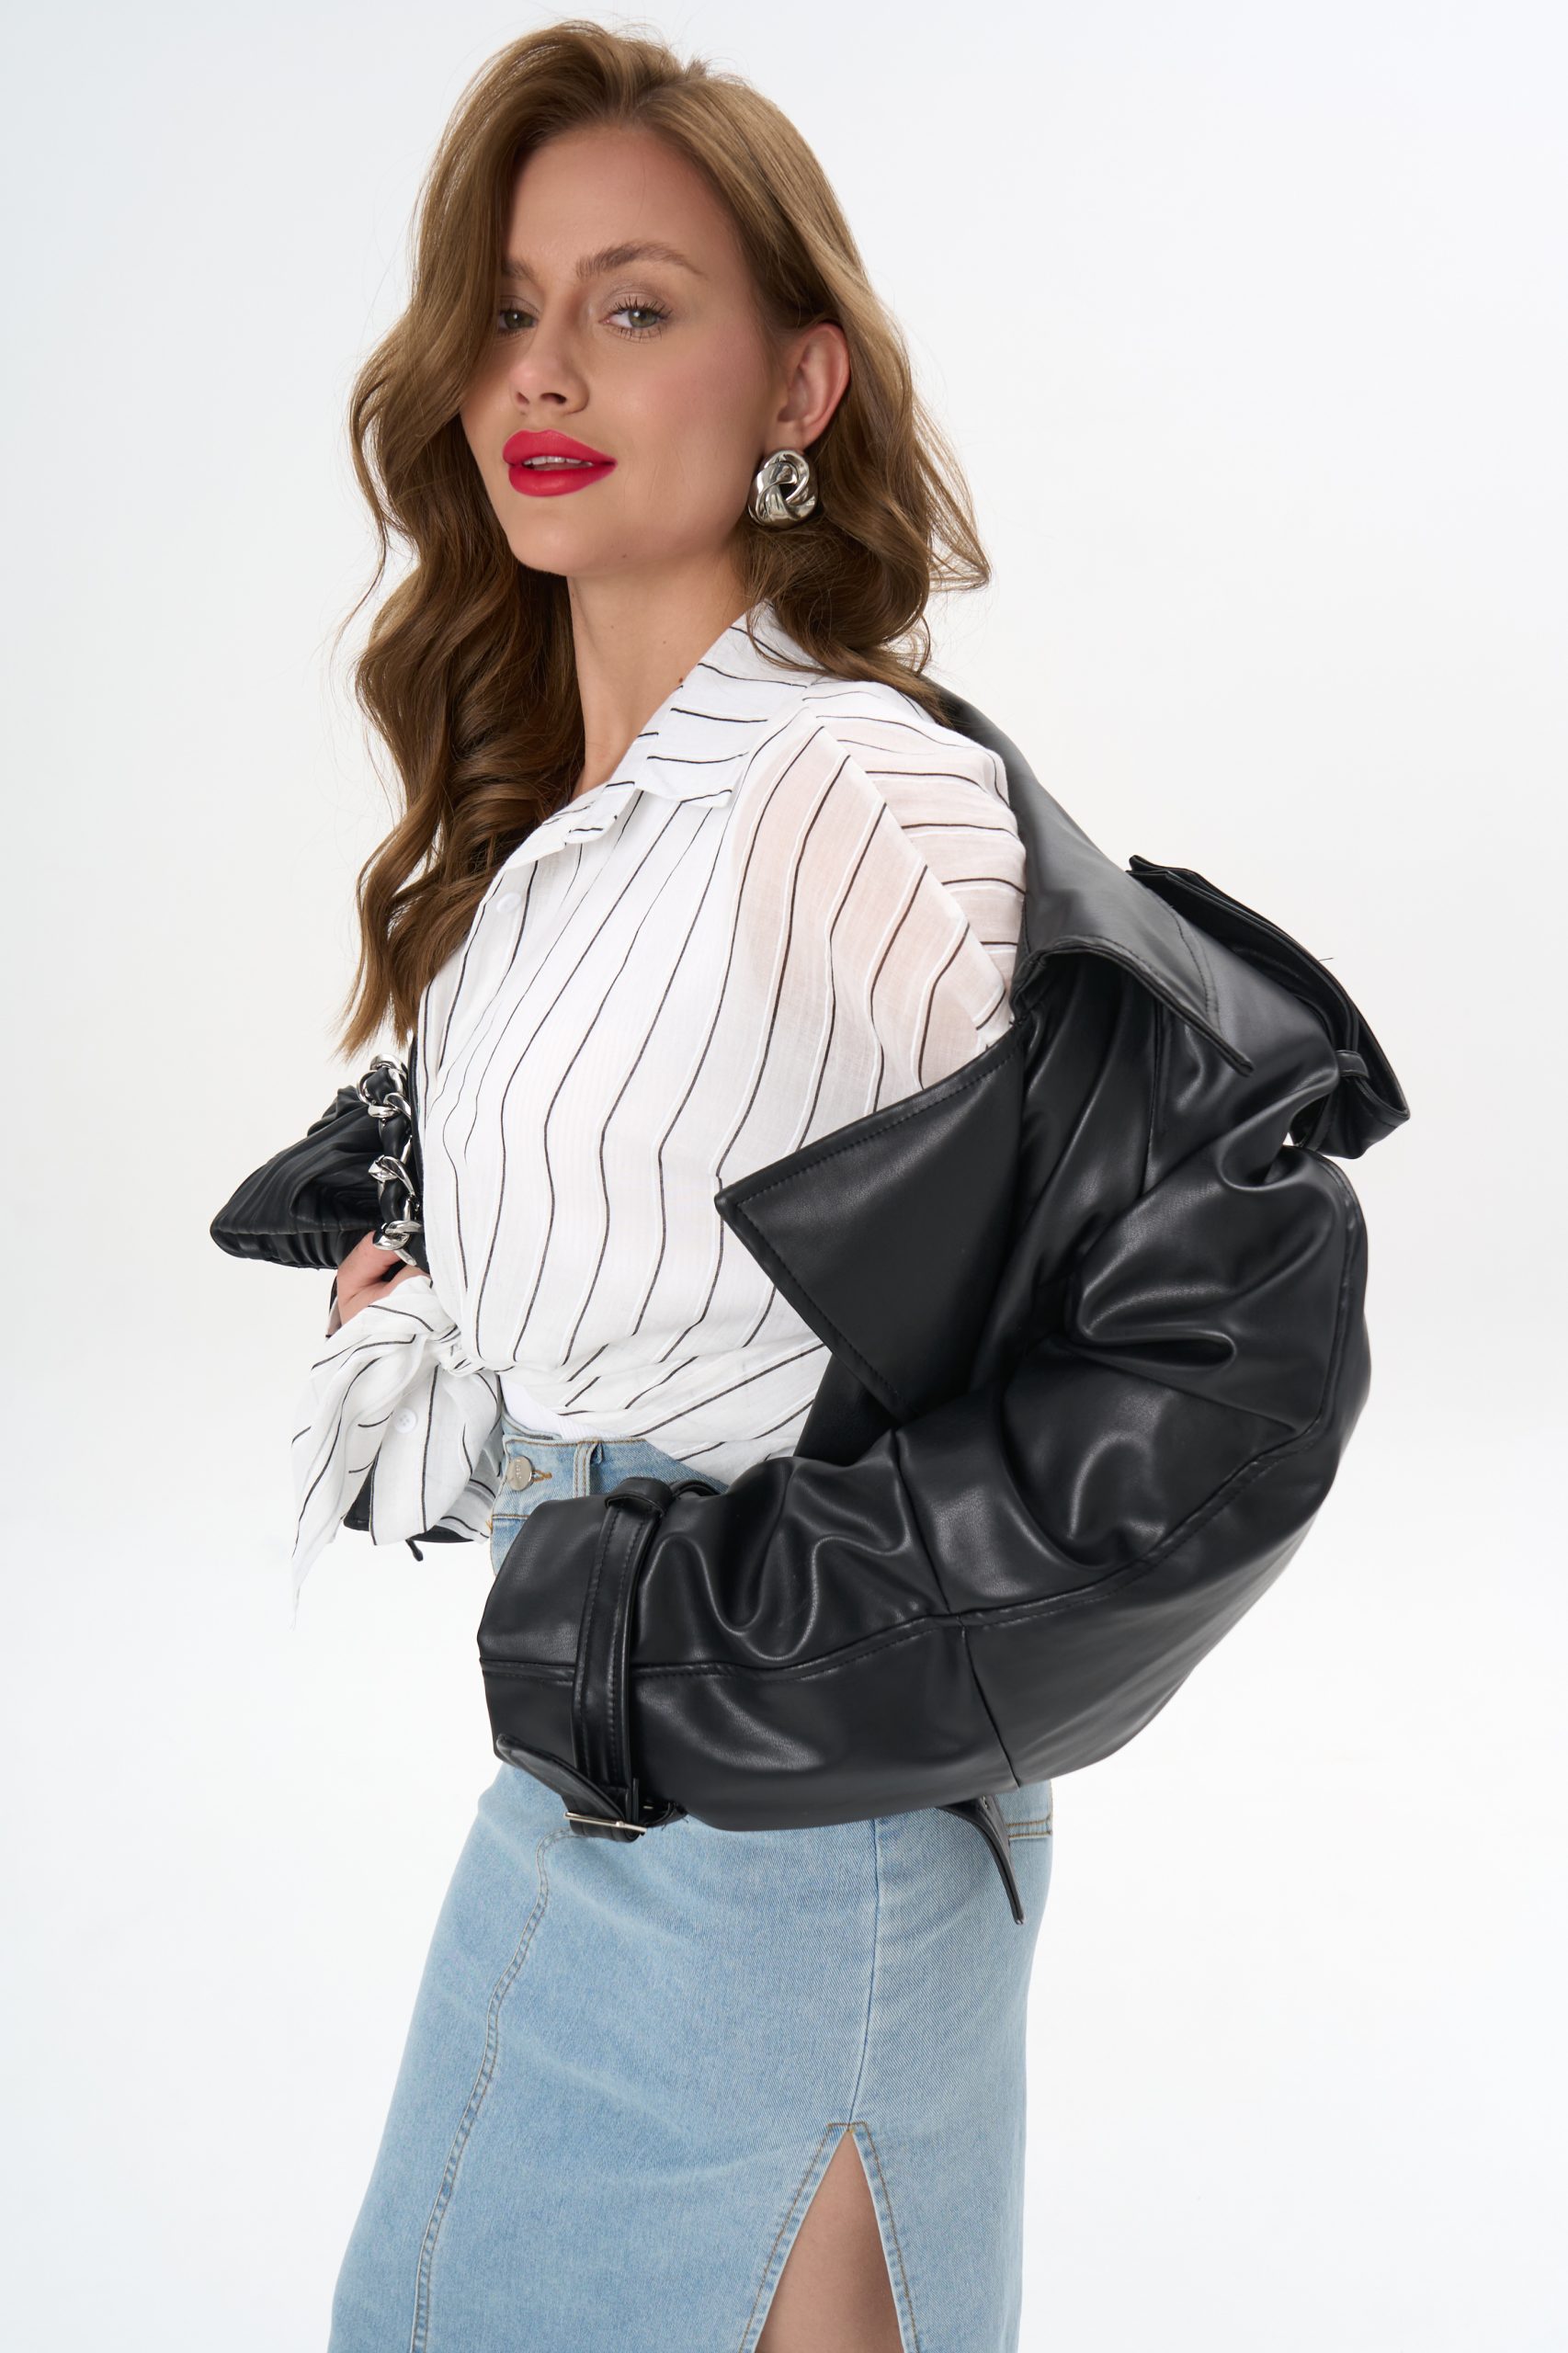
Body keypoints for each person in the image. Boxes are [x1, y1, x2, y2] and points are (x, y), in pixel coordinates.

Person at [301, 23, 1054, 2352]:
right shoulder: (556, 834)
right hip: (597, 1744)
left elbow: (1094, 1261)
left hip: (791, 1811)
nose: (543, 368)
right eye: (508, 308)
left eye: (633, 306)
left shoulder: (846, 785)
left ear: (797, 382)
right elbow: (672, 1285)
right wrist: (438, 1342)